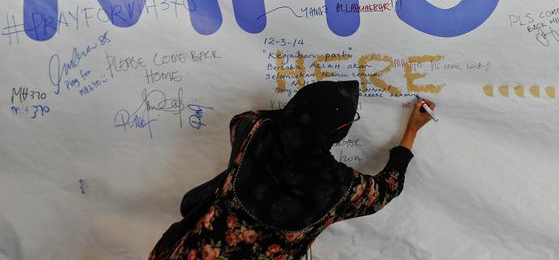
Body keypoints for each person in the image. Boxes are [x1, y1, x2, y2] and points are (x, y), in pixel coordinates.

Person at [148, 80, 436, 259]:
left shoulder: (252, 133)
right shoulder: (340, 188)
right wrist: (411, 129)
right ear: (335, 133)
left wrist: (294, 120)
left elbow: (243, 117)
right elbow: (388, 187)